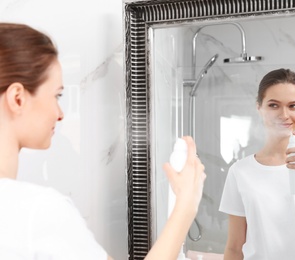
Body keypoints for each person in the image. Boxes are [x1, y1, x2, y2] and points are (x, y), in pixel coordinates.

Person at [0, 22, 206, 260]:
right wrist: (185, 205)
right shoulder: (37, 211)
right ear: (17, 98)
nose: (60, 113)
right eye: (57, 95)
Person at [219, 68, 295, 260]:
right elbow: (235, 247)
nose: (284, 115)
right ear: (259, 107)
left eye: (293, 106)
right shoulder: (240, 171)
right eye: (274, 105)